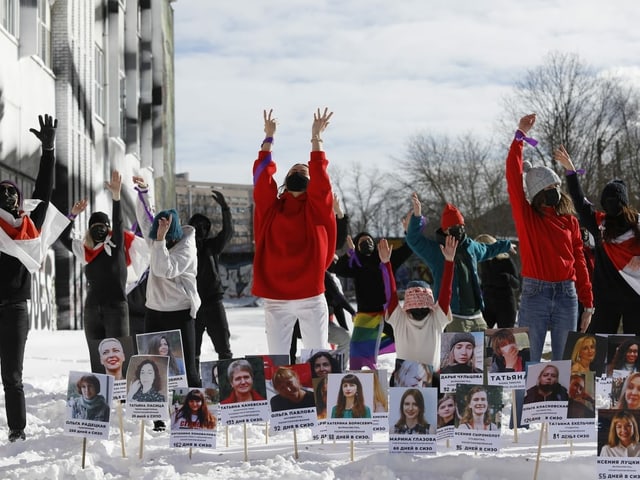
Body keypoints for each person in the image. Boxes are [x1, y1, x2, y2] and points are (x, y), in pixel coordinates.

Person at [0, 114, 69, 443]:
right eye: (2, 193)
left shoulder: (30, 229)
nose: (9, 197)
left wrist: (49, 150)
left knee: (12, 376)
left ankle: (17, 432)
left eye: (13, 193)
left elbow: (45, 188)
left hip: (15, 310)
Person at [505, 114, 593, 362]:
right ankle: (523, 402)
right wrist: (519, 137)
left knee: (565, 363)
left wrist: (588, 303)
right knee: (527, 361)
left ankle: (562, 403)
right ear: (536, 196)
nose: (553, 192)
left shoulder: (570, 221)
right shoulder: (528, 219)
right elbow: (513, 179)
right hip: (535, 295)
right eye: (546, 190)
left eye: (554, 187)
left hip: (567, 295)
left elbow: (580, 261)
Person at [252, 108, 336, 356]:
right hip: (276, 298)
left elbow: (321, 179)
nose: (299, 172)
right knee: (278, 361)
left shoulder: (317, 210)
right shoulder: (271, 209)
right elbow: (261, 180)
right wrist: (268, 138)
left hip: (311, 295)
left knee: (318, 360)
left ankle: (317, 396)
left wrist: (316, 139)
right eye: (293, 171)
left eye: (304, 171)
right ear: (285, 179)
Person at [554, 145, 640, 335]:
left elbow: (578, 199)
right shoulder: (638, 225)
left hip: (606, 298)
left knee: (598, 349)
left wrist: (571, 170)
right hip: (635, 296)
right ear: (625, 201)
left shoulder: (598, 224)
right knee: (632, 352)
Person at [60, 170, 148, 348]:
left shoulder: (116, 244)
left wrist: (116, 196)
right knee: (98, 359)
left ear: (109, 229)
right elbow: (63, 238)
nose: (99, 230)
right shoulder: (84, 250)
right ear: (89, 229)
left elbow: (118, 221)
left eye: (103, 226)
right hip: (92, 310)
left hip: (117, 309)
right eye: (95, 226)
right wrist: (72, 215)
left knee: (119, 357)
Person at [405, 193, 513, 333]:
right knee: (458, 352)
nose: (459, 229)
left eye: (461, 225)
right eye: (454, 226)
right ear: (445, 230)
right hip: (453, 314)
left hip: (476, 313)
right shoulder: (437, 251)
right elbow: (414, 240)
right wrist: (417, 216)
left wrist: (507, 245)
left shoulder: (471, 247)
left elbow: (488, 249)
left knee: (485, 352)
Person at [132, 176, 200, 388]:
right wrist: (144, 190)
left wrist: (160, 239)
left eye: (163, 236)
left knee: (186, 368)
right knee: (152, 366)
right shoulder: (157, 237)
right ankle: (157, 419)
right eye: (158, 235)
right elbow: (145, 217)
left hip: (179, 312)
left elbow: (163, 269)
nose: (158, 239)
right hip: (154, 310)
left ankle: (193, 414)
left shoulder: (186, 248)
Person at [332, 223, 413, 370]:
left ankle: (408, 373)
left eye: (369, 239)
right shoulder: (355, 264)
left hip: (388, 312)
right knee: (357, 350)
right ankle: (360, 379)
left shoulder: (385, 257)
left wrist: (409, 230)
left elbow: (408, 249)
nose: (367, 242)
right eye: (362, 241)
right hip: (366, 316)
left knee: (405, 341)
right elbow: (337, 269)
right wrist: (349, 254)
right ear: (357, 247)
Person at [380, 217, 457, 370]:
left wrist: (386, 264)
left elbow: (391, 295)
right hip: (431, 383)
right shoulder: (437, 318)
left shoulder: (399, 318)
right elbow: (445, 294)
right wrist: (449, 262)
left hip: (404, 384)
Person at [188, 190, 234, 367]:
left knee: (224, 349)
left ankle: (230, 385)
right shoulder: (184, 248)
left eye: (203, 226)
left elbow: (228, 233)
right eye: (197, 226)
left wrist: (225, 209)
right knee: (192, 352)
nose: (200, 229)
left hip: (213, 303)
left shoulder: (211, 246)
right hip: (192, 305)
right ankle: (193, 386)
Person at [475, 234, 520, 329]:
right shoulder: (482, 263)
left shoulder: (505, 260)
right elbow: (483, 284)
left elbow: (517, 284)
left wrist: (507, 278)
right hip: (488, 306)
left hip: (505, 305)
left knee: (505, 338)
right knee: (482, 336)